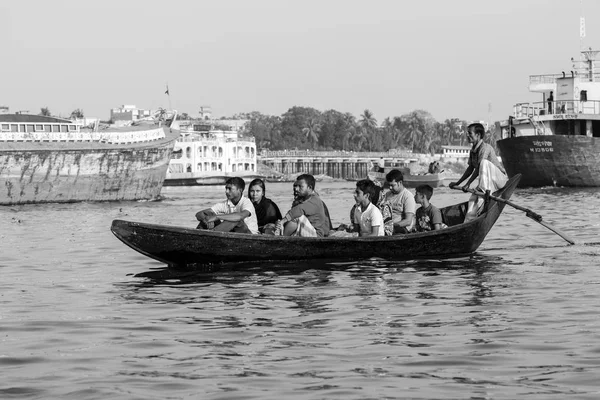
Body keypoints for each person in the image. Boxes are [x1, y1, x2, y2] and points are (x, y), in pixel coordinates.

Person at [449, 122, 508, 222]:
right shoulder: (473, 150)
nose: (467, 135)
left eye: (470, 133)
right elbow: (470, 169)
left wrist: (467, 184)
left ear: (478, 135)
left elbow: (479, 168)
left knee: (484, 163)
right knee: (472, 201)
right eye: (467, 133)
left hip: (499, 180)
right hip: (487, 184)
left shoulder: (485, 148)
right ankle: (468, 221)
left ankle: (482, 192)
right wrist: (458, 183)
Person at [383, 169, 416, 234]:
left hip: (402, 229)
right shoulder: (388, 194)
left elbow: (408, 221)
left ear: (400, 183)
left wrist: (391, 226)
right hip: (387, 226)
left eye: (392, 185)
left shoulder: (408, 197)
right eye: (389, 185)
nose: (390, 188)